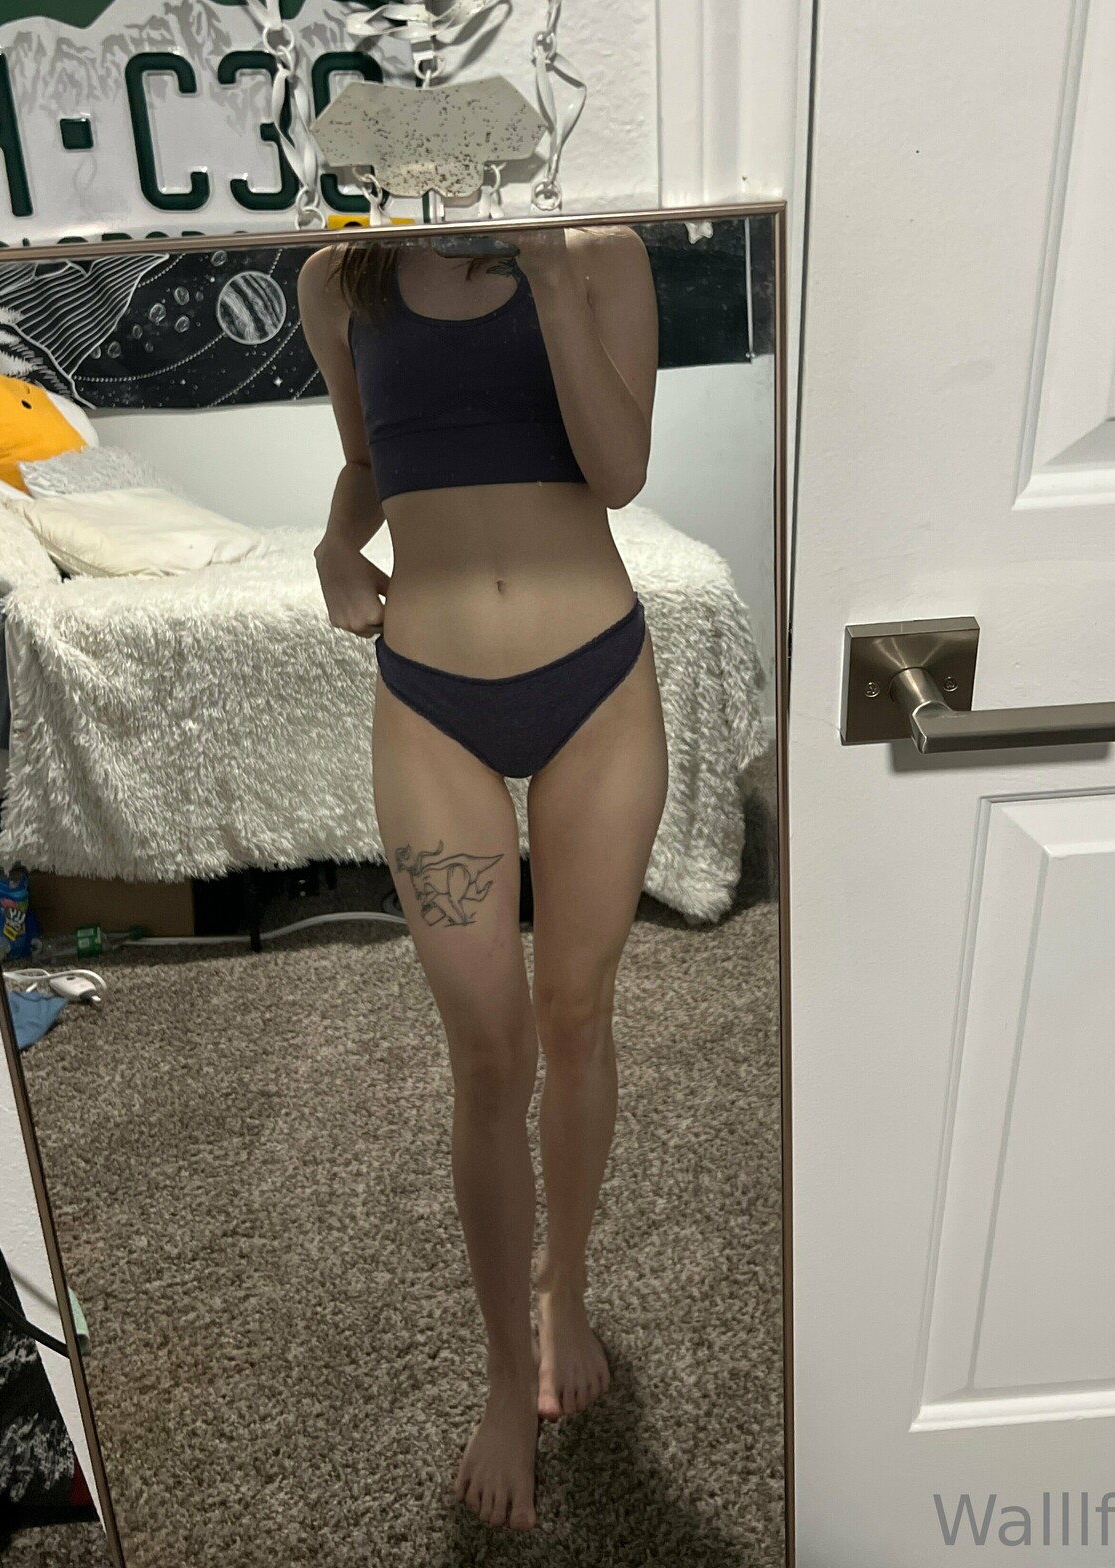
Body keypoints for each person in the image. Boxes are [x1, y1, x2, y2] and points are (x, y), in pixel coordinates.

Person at [297, 224, 668, 1531]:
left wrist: (549, 274)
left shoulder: (602, 254)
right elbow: (366, 461)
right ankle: (507, 1376)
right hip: (430, 699)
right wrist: (334, 545)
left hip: (597, 681)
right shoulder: (337, 276)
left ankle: (566, 1286)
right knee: (488, 1053)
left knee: (575, 1014)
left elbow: (619, 471)